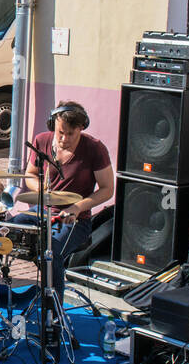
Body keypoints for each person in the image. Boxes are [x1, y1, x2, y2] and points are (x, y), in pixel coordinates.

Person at [13, 101, 115, 295]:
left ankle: (54, 309)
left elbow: (107, 189)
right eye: (61, 132)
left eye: (70, 134)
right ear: (53, 125)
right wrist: (42, 192)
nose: (64, 138)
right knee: (2, 233)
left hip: (76, 220)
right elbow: (31, 175)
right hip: (42, 212)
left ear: (81, 128)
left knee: (51, 252)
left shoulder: (94, 148)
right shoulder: (42, 141)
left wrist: (77, 207)